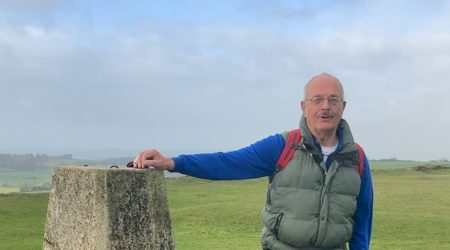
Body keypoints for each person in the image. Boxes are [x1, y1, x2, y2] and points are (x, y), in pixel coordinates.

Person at [132, 73, 373, 250]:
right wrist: (174, 163)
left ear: (343, 106)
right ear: (304, 107)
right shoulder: (283, 146)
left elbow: (362, 220)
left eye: (333, 100)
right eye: (317, 99)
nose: (325, 107)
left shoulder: (357, 157)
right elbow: (229, 163)